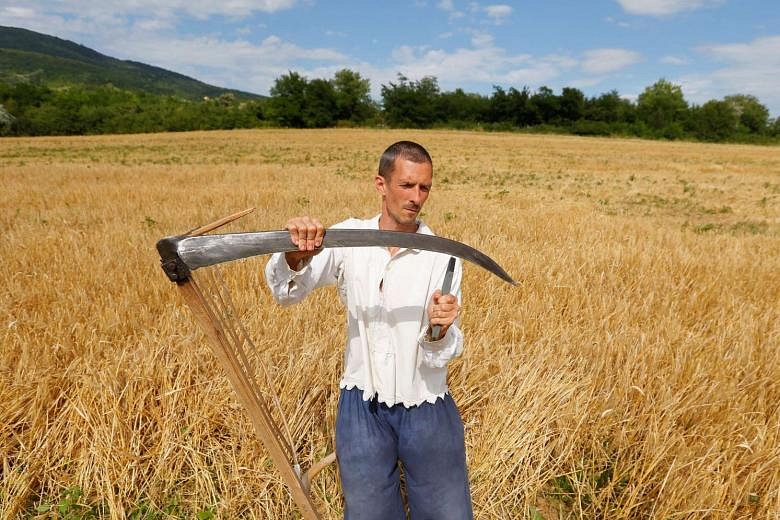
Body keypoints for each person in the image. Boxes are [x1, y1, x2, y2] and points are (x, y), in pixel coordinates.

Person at [264, 141, 473, 519]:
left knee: (448, 514)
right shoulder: (349, 239)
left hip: (426, 404)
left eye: (424, 187)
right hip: (362, 407)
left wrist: (441, 329)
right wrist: (296, 253)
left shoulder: (442, 254)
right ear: (381, 184)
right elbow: (287, 291)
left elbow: (441, 351)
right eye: (407, 185)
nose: (416, 197)